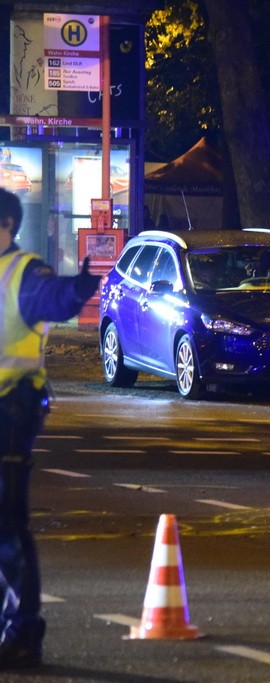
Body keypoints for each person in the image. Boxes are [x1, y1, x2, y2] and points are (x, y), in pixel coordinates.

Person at [0, 188, 100, 669]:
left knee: (7, 523)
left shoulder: (24, 272)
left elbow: (55, 298)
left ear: (4, 225)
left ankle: (24, 630)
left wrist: (79, 288)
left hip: (11, 408)